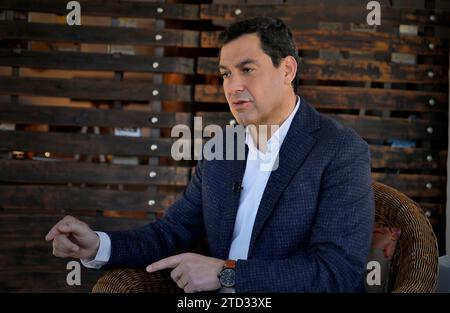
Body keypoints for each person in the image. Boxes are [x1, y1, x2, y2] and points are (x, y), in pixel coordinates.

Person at [45, 17, 375, 293]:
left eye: (247, 69)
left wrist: (225, 274)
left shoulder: (340, 150)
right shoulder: (221, 149)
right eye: (226, 73)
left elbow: (336, 274)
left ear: (287, 70)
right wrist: (98, 245)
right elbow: (172, 233)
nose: (232, 86)